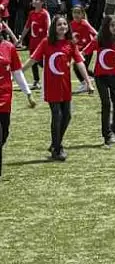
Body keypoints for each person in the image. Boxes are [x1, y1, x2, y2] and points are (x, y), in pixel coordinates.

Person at [25, 15, 91, 161]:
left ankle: (56, 143)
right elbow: (34, 59)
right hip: (51, 86)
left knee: (67, 115)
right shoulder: (46, 42)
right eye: (59, 24)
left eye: (64, 24)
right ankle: (56, 149)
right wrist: (19, 71)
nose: (62, 27)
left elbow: (79, 62)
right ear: (54, 28)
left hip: (65, 86)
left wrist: (88, 82)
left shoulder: (70, 43)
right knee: (57, 115)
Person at [84, 15, 115, 147]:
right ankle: (107, 134)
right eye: (112, 25)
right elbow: (85, 51)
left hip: (113, 77)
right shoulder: (99, 39)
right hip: (100, 77)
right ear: (106, 27)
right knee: (106, 104)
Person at [0, 23, 32, 177]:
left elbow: (17, 72)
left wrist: (28, 93)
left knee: (5, 132)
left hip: (5, 97)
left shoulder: (9, 47)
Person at [19, 0, 49, 90]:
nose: (34, 1)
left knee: (41, 62)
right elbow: (27, 27)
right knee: (33, 62)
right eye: (34, 0)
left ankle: (51, 75)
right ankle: (36, 81)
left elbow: (48, 28)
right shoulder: (31, 13)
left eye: (37, 0)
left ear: (42, 2)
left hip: (42, 43)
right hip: (33, 42)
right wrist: (21, 39)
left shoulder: (45, 14)